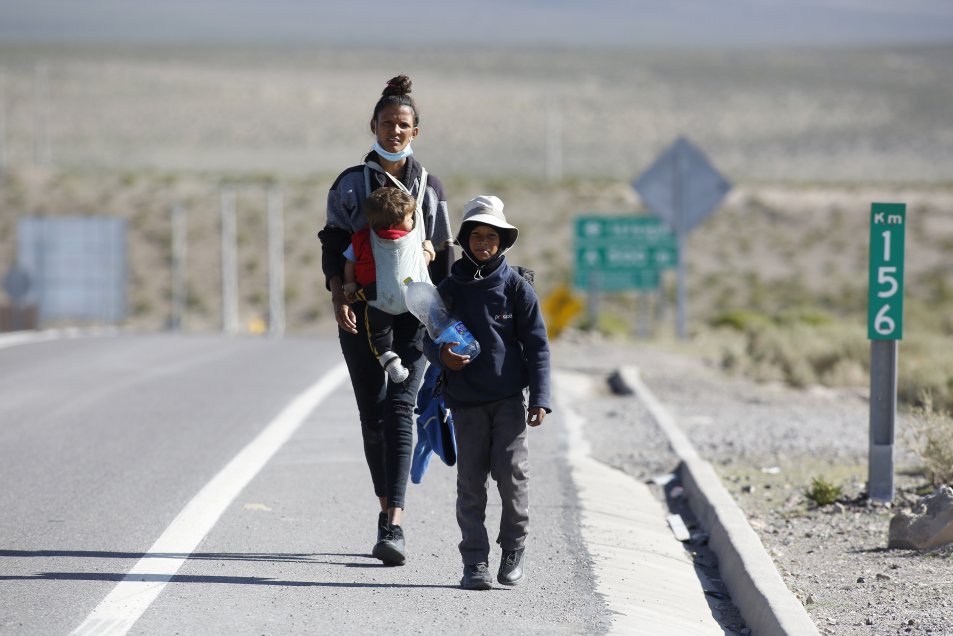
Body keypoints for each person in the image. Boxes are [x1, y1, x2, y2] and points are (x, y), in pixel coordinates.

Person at [318, 74, 454, 566]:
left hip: (415, 317)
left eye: (404, 124)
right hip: (362, 315)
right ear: (373, 125)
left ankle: (392, 524)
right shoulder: (349, 184)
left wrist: (446, 322)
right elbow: (333, 244)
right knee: (372, 414)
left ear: (416, 130)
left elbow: (444, 261)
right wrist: (339, 298)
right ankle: (384, 509)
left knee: (401, 409)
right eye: (388, 123)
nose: (395, 130)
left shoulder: (431, 187)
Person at [421, 195, 551, 590]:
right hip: (465, 403)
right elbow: (426, 339)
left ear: (503, 241)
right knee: (471, 484)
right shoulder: (448, 289)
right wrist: (442, 355)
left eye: (491, 236)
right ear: (465, 239)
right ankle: (474, 561)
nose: (483, 242)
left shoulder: (517, 288)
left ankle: (514, 549)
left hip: (509, 400)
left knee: (512, 476)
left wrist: (541, 398)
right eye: (475, 235)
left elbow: (537, 346)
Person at [342, 187, 436, 384]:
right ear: (396, 223)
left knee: (378, 333)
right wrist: (429, 251)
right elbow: (421, 263)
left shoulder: (361, 238)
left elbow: (349, 262)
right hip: (410, 295)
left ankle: (387, 357)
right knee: (418, 325)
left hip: (376, 294)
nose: (412, 222)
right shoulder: (409, 239)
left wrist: (350, 285)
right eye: (410, 219)